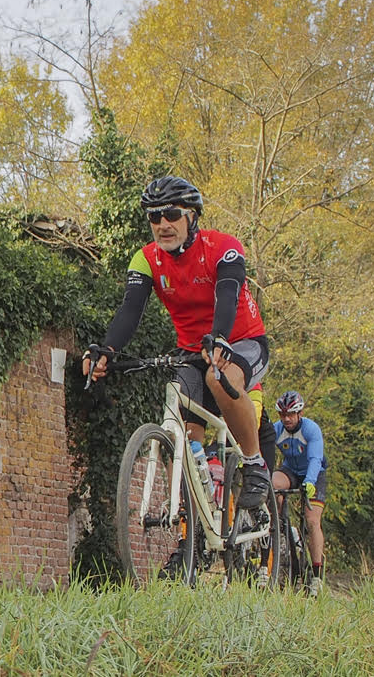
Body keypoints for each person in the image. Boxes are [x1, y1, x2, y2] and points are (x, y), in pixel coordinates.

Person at [84, 176, 274, 576]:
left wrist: (219, 338)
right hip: (191, 350)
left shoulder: (222, 248)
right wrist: (107, 350)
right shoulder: (146, 259)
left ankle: (254, 463)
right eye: (154, 217)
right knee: (183, 433)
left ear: (192, 217)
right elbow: (130, 310)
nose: (162, 224)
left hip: (241, 340)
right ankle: (193, 541)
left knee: (219, 379)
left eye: (171, 214)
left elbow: (227, 294)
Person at [271, 390, 327, 596]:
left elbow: (315, 459)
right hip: (290, 471)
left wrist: (310, 482)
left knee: (312, 521)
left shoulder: (311, 429)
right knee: (272, 484)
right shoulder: (277, 429)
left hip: (314, 473)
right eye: (283, 415)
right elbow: (262, 448)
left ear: (300, 413)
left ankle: (317, 575)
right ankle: (278, 524)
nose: (286, 419)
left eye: (291, 414)